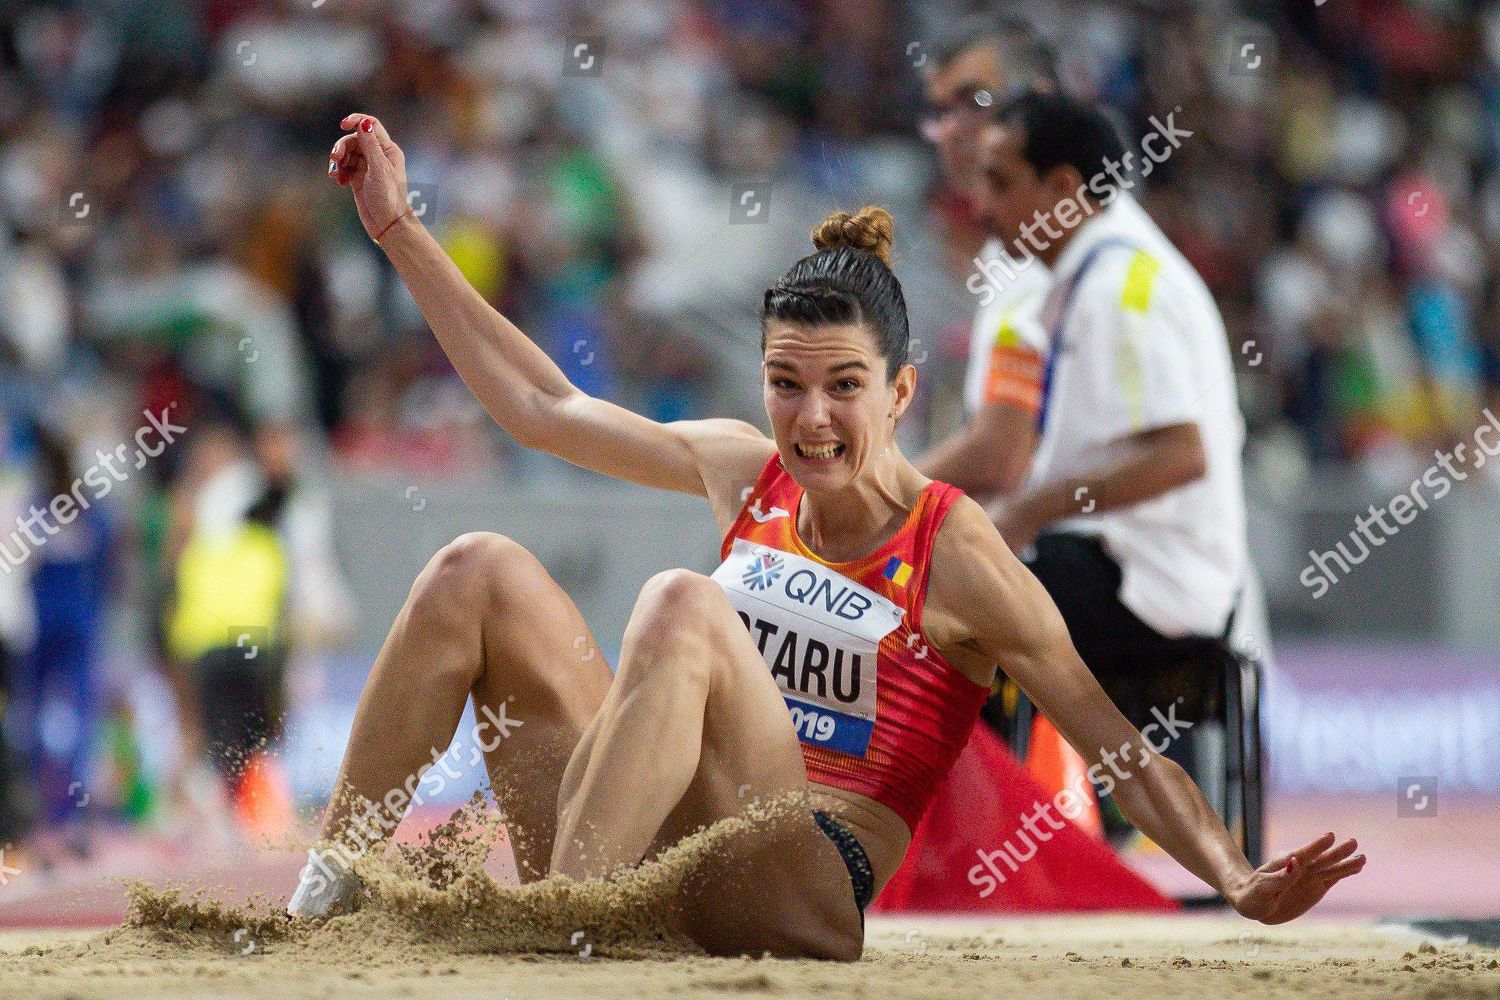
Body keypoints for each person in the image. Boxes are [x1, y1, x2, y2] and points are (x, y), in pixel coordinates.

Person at [289, 113, 1365, 960]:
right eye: (786, 385)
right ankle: (322, 899)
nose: (811, 420)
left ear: (900, 391)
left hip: (800, 883)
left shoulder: (958, 547)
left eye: (844, 388)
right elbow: (543, 409)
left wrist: (1233, 876)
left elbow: (1113, 745)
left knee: (682, 602)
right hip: (639, 852)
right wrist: (399, 230)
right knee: (475, 568)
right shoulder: (741, 470)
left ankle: (564, 934)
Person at [972, 91, 1249, 754]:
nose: (984, 207)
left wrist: (1027, 510)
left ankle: (976, 839)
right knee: (962, 582)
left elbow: (1184, 455)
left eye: (1001, 183)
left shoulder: (1125, 288)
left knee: (954, 607)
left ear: (1064, 188)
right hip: (1114, 562)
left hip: (1152, 584)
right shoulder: (1087, 280)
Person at [916, 16, 1057, 497]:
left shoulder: (1052, 244)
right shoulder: (1013, 246)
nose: (953, 130)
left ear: (1037, 102)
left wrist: (867, 499)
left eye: (975, 103)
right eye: (940, 112)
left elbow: (1000, 457)